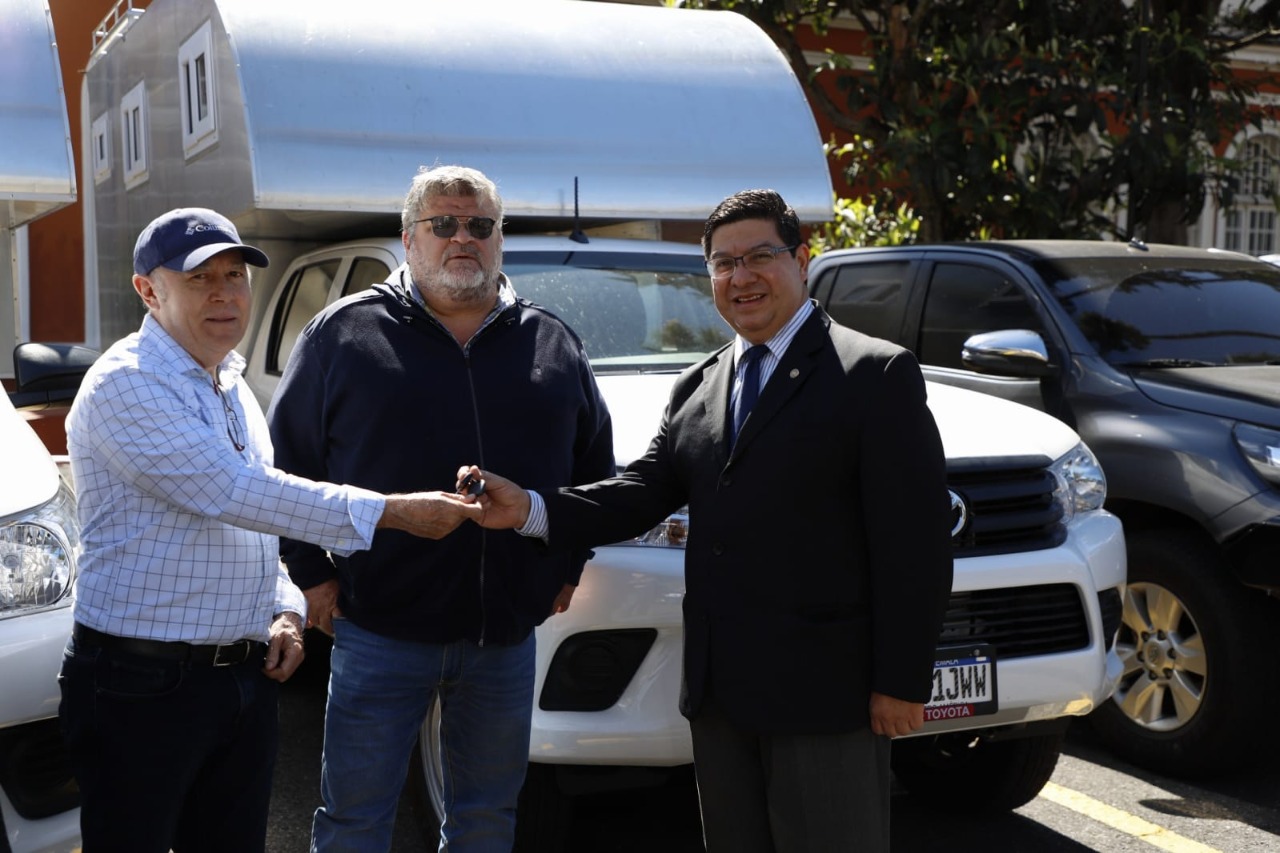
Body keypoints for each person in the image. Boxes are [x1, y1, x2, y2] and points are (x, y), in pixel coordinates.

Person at [463, 188, 955, 852]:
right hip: (721, 698)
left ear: (801, 260)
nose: (741, 276)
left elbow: (915, 545)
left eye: (760, 256)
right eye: (724, 263)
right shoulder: (699, 385)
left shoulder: (874, 373)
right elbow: (640, 491)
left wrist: (901, 681)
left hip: (826, 697)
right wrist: (530, 507)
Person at [59, 207, 481, 853]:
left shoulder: (227, 380)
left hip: (239, 677)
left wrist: (283, 606)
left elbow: (255, 522)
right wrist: (394, 511)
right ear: (148, 291)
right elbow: (235, 493)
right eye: (200, 278)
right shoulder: (128, 382)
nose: (225, 293)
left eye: (235, 275)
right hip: (140, 682)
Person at [267, 165, 613, 851]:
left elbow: (594, 473)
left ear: (499, 237)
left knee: (486, 820)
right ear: (409, 237)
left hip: (503, 640)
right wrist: (312, 577)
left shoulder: (552, 341)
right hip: (379, 629)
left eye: (480, 224)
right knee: (354, 820)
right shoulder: (343, 335)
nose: (463, 237)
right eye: (444, 223)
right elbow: (284, 469)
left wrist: (567, 565)